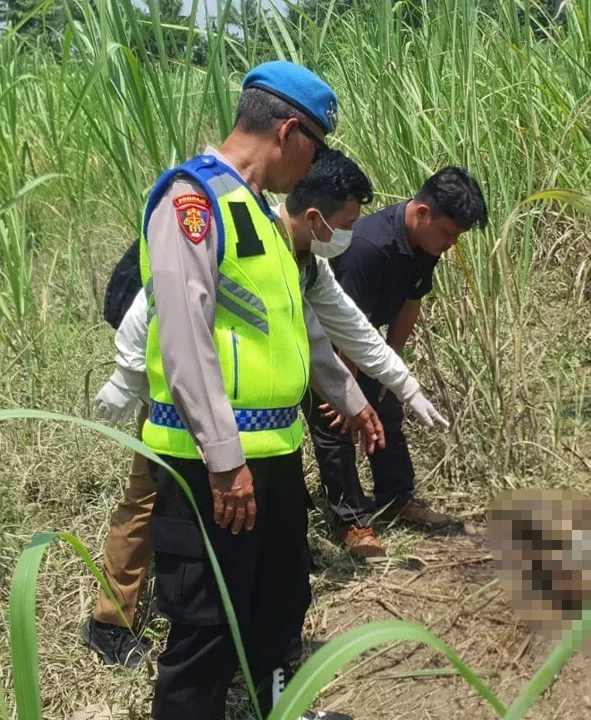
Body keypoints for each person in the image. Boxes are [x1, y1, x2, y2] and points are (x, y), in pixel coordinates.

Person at [82, 150, 450, 671]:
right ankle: (110, 622)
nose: (349, 234)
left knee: (236, 524)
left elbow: (335, 334)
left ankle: (238, 631)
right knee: (148, 498)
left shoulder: (304, 262)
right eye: (345, 223)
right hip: (182, 404)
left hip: (247, 419)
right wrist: (128, 381)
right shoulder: (238, 233)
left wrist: (394, 388)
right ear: (316, 216)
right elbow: (154, 308)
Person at [117, 60, 377, 720]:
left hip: (274, 458)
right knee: (206, 626)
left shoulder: (257, 213)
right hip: (211, 469)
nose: (311, 165)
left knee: (279, 605)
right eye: (314, 148)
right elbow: (183, 339)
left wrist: (348, 395)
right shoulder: (192, 203)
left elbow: (295, 326)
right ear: (289, 132)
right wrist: (225, 461)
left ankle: (277, 711)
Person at [304, 167, 488, 557]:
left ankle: (396, 499)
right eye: (449, 233)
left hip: (365, 343)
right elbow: (347, 325)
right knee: (336, 427)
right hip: (322, 344)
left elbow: (410, 302)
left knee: (386, 410)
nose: (452, 243)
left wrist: (392, 366)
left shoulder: (426, 244)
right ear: (422, 213)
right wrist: (346, 392)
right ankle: (352, 520)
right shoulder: (369, 246)